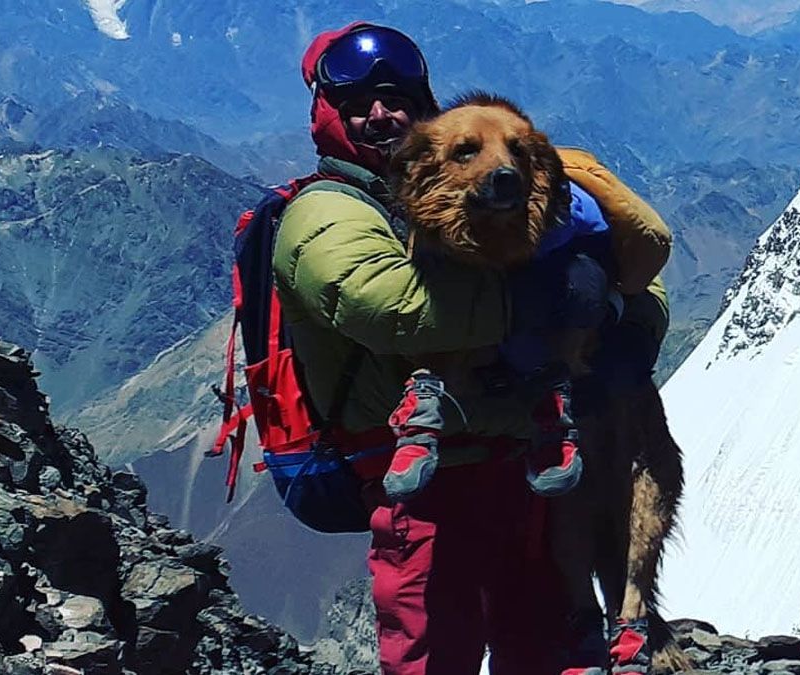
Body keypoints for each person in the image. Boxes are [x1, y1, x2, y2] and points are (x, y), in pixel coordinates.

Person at [274, 21, 670, 675]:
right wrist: (543, 301)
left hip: (525, 476)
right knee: (435, 654)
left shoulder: (473, 185)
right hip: (425, 489)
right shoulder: (325, 214)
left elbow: (625, 262)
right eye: (357, 105)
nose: (380, 114)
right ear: (327, 114)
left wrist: (627, 317)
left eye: (397, 97)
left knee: (543, 645)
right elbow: (388, 305)